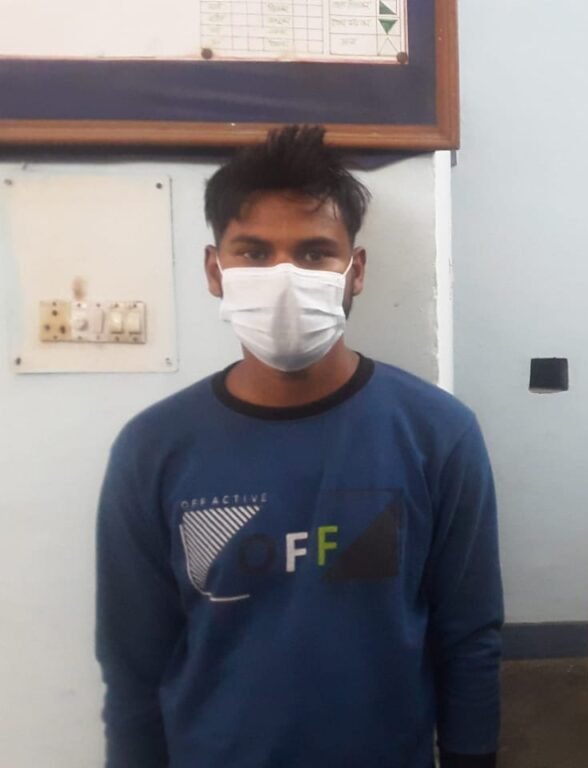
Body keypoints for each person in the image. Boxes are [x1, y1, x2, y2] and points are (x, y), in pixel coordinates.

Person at [95, 125, 503, 768]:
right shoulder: (153, 449)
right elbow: (132, 663)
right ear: (215, 270)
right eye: (254, 253)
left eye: (314, 253)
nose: (284, 277)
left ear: (355, 271)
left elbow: (469, 636)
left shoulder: (437, 434)